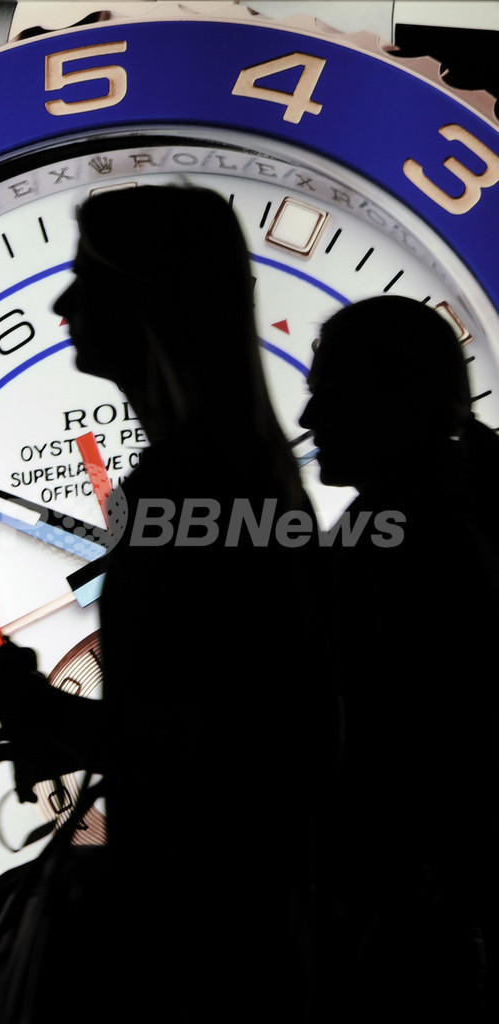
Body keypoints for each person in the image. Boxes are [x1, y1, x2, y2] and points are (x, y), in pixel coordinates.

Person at [0, 184, 332, 1023]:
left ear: (146, 300)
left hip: (185, 931)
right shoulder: (245, 474)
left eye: (86, 279)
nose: (62, 303)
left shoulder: (182, 484)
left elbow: (191, 743)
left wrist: (36, 707)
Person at [299, 295, 499, 1022]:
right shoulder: (450, 510)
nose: (308, 419)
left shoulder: (394, 538)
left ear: (395, 399)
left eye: (328, 395)